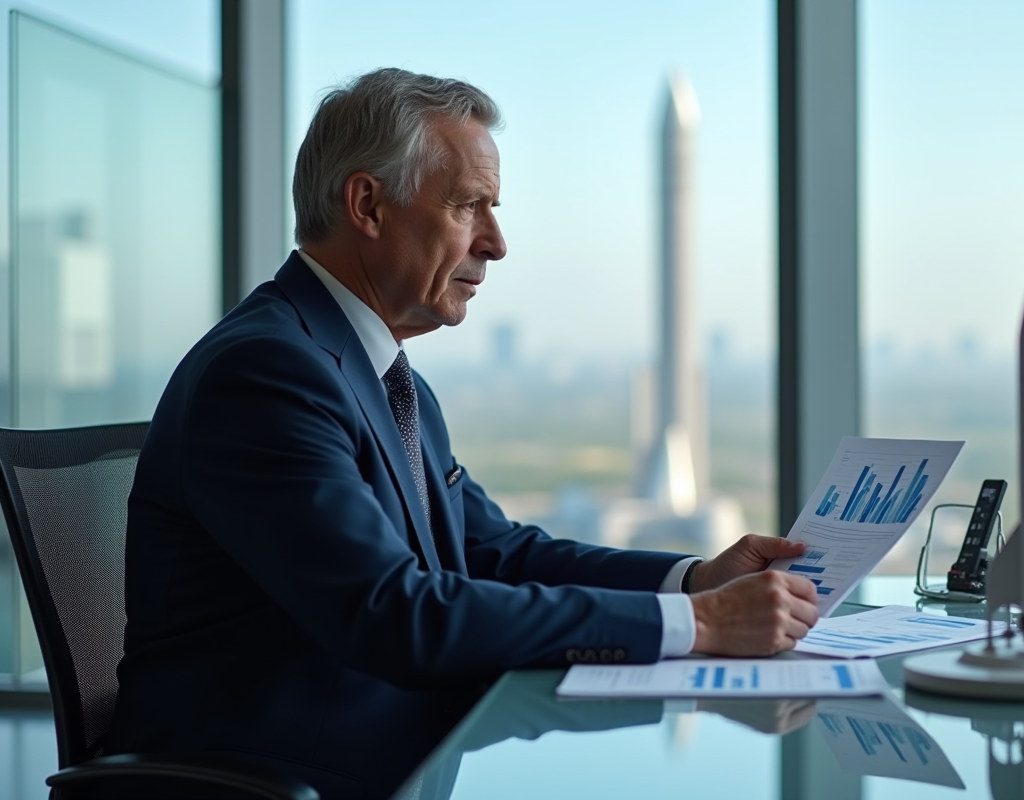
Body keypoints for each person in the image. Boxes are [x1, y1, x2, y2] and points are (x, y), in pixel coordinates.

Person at [108, 68, 819, 800]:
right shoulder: (266, 374)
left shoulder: (384, 376)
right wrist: (694, 624)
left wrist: (694, 580)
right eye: (469, 205)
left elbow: (493, 555)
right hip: (287, 780)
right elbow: (393, 613)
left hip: (406, 755)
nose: (498, 243)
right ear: (367, 204)